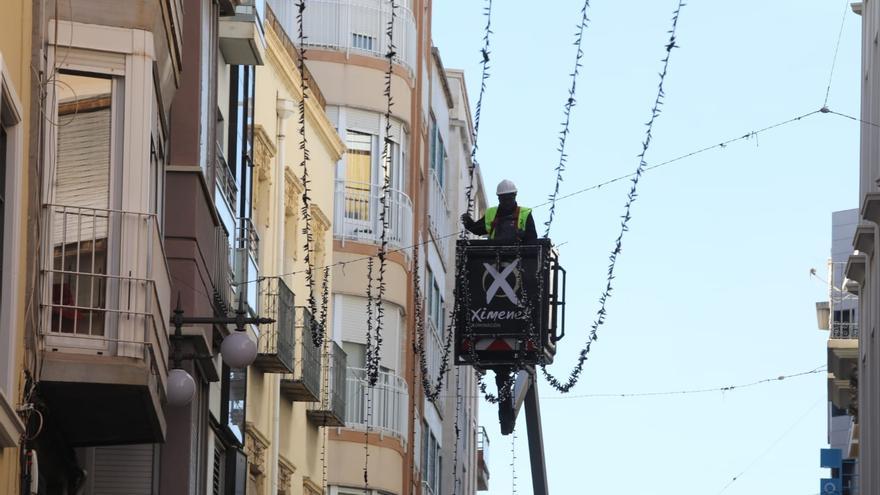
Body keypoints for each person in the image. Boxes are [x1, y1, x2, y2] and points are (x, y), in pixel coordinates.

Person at [461, 179, 538, 242]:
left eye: (509, 198)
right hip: (495, 257)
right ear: (499, 198)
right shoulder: (491, 213)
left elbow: (533, 240)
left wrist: (524, 236)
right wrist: (468, 223)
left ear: (515, 195)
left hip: (519, 256)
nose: (507, 202)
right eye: (504, 199)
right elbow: (477, 229)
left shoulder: (525, 214)